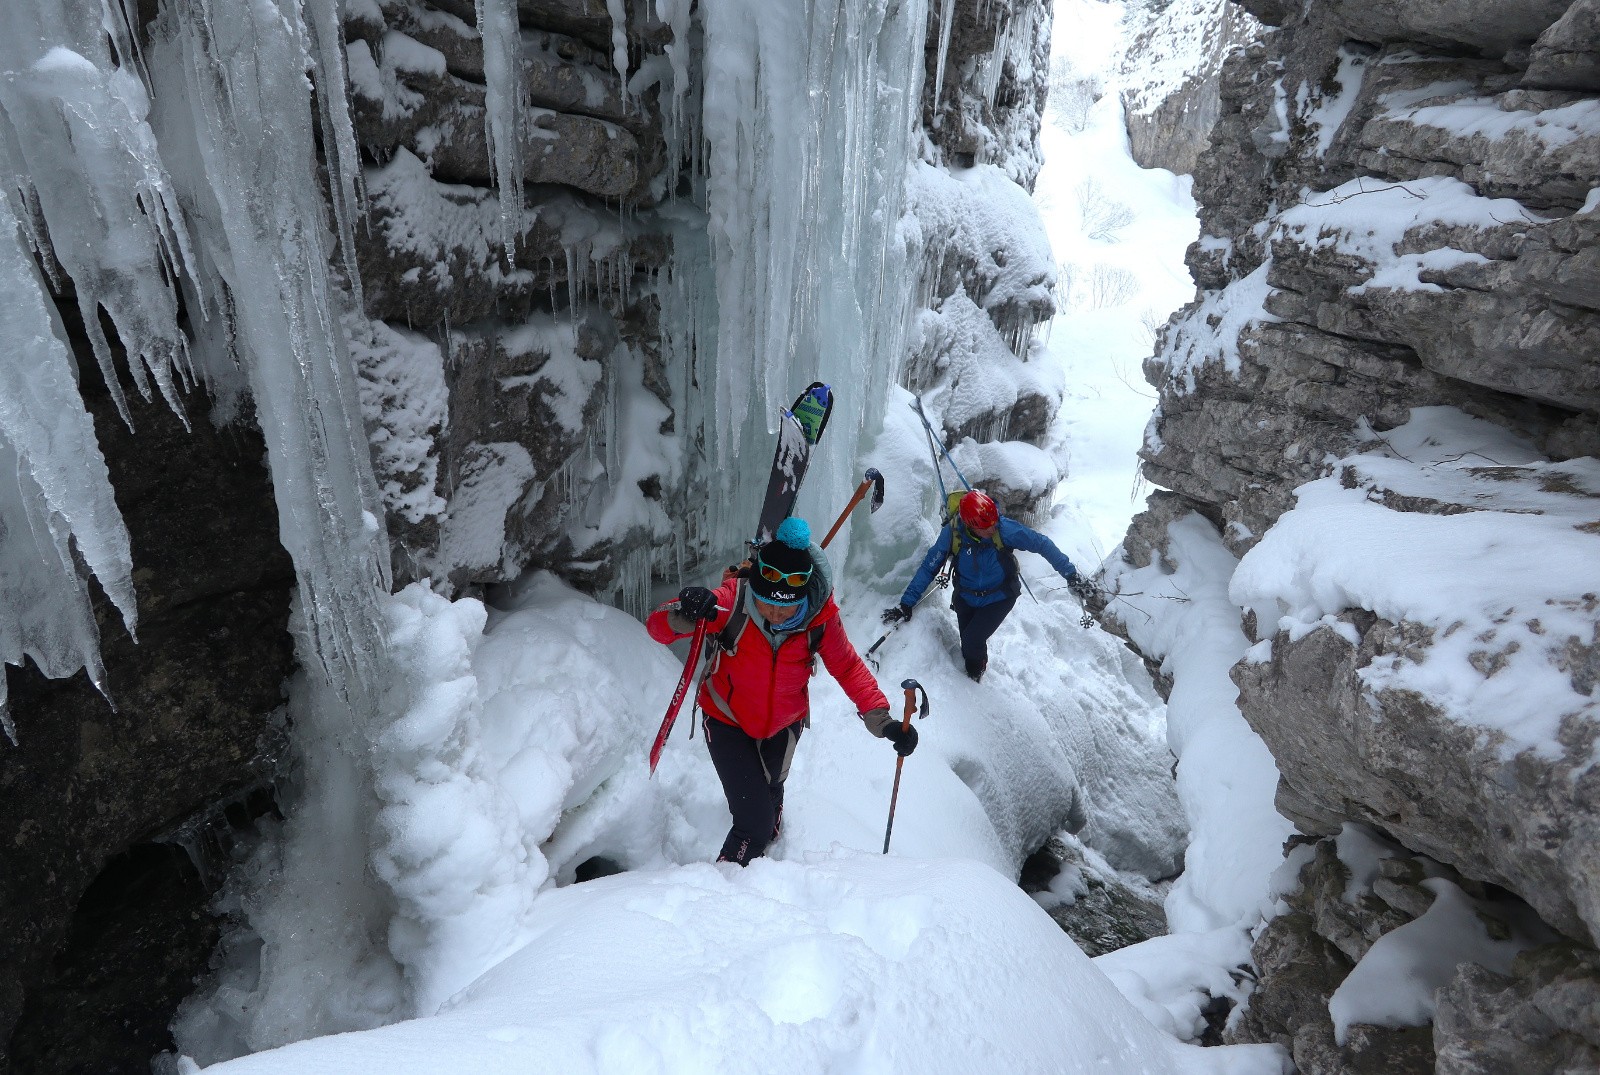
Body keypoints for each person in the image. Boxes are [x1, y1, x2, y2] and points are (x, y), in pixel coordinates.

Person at [647, 517, 916, 865]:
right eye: (766, 602)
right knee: (753, 827)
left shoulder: (820, 619)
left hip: (784, 723)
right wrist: (684, 611)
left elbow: (848, 667)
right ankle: (722, 887)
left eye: (786, 606)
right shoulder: (731, 603)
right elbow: (657, 628)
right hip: (726, 717)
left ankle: (770, 824)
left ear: (802, 597)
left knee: (773, 787)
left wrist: (884, 721)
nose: (774, 613)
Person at [881, 489, 1092, 682]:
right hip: (966, 596)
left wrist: (1070, 574)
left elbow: (1042, 543)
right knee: (968, 642)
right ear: (970, 525)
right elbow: (930, 566)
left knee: (973, 641)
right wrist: (906, 603)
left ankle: (974, 676)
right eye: (986, 527)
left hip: (1000, 596)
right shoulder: (953, 534)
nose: (993, 529)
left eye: (994, 523)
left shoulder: (1004, 529)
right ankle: (973, 665)